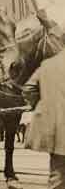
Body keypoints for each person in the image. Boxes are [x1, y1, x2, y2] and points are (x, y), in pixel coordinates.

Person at [24, 50, 65, 189]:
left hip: (56, 131)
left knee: (57, 175)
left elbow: (28, 89)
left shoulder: (47, 64)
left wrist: (43, 104)